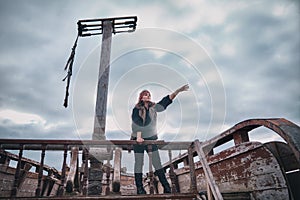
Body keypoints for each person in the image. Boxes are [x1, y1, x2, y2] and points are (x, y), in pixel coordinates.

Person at [131, 84, 189, 194]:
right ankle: (139, 188)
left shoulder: (154, 108)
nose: (147, 96)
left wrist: (178, 91)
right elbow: (136, 123)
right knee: (139, 163)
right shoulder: (136, 109)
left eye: (148, 95)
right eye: (145, 95)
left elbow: (165, 102)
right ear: (141, 97)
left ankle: (166, 187)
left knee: (157, 163)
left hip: (151, 139)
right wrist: (138, 137)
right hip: (138, 139)